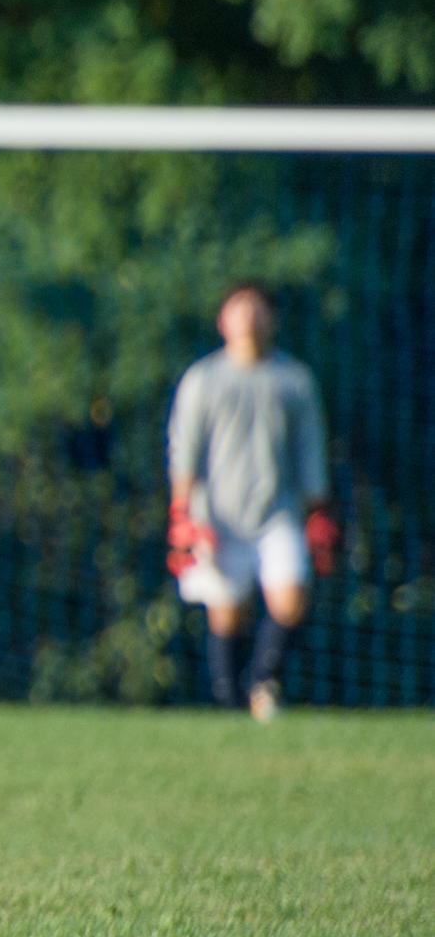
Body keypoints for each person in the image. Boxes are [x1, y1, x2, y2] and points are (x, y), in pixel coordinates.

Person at [169, 283, 332, 721]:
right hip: (217, 515)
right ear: (222, 320)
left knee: (292, 597)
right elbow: (184, 448)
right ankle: (227, 702)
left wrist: (317, 511)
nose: (249, 318)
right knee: (227, 611)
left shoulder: (293, 380)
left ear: (272, 319)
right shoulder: (203, 379)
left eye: (257, 309)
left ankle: (263, 681)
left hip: (276, 511)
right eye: (239, 308)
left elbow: (310, 449)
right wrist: (182, 512)